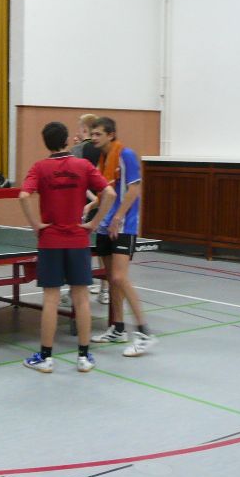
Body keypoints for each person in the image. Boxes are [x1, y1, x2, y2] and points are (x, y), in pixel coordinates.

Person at [18, 122, 116, 373]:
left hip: (50, 240)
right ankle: (83, 357)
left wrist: (35, 224)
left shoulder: (39, 167)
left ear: (46, 143)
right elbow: (110, 193)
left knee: (51, 299)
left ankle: (46, 358)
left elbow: (24, 195)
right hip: (78, 240)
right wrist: (94, 223)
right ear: (65, 140)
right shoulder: (83, 166)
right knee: (81, 298)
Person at [89, 116, 157, 357]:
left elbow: (134, 189)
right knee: (111, 278)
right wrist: (92, 207)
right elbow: (109, 191)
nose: (93, 138)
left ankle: (144, 332)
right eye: (92, 134)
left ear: (110, 134)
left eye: (98, 134)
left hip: (123, 226)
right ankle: (117, 328)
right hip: (105, 226)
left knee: (119, 277)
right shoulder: (103, 158)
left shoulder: (126, 155)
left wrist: (118, 217)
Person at [69, 113, 105, 299]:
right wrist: (97, 200)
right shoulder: (105, 149)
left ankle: (74, 290)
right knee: (102, 247)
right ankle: (104, 290)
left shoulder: (77, 150)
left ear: (84, 129)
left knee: (78, 247)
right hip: (103, 203)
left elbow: (77, 182)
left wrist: (91, 201)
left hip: (83, 205)